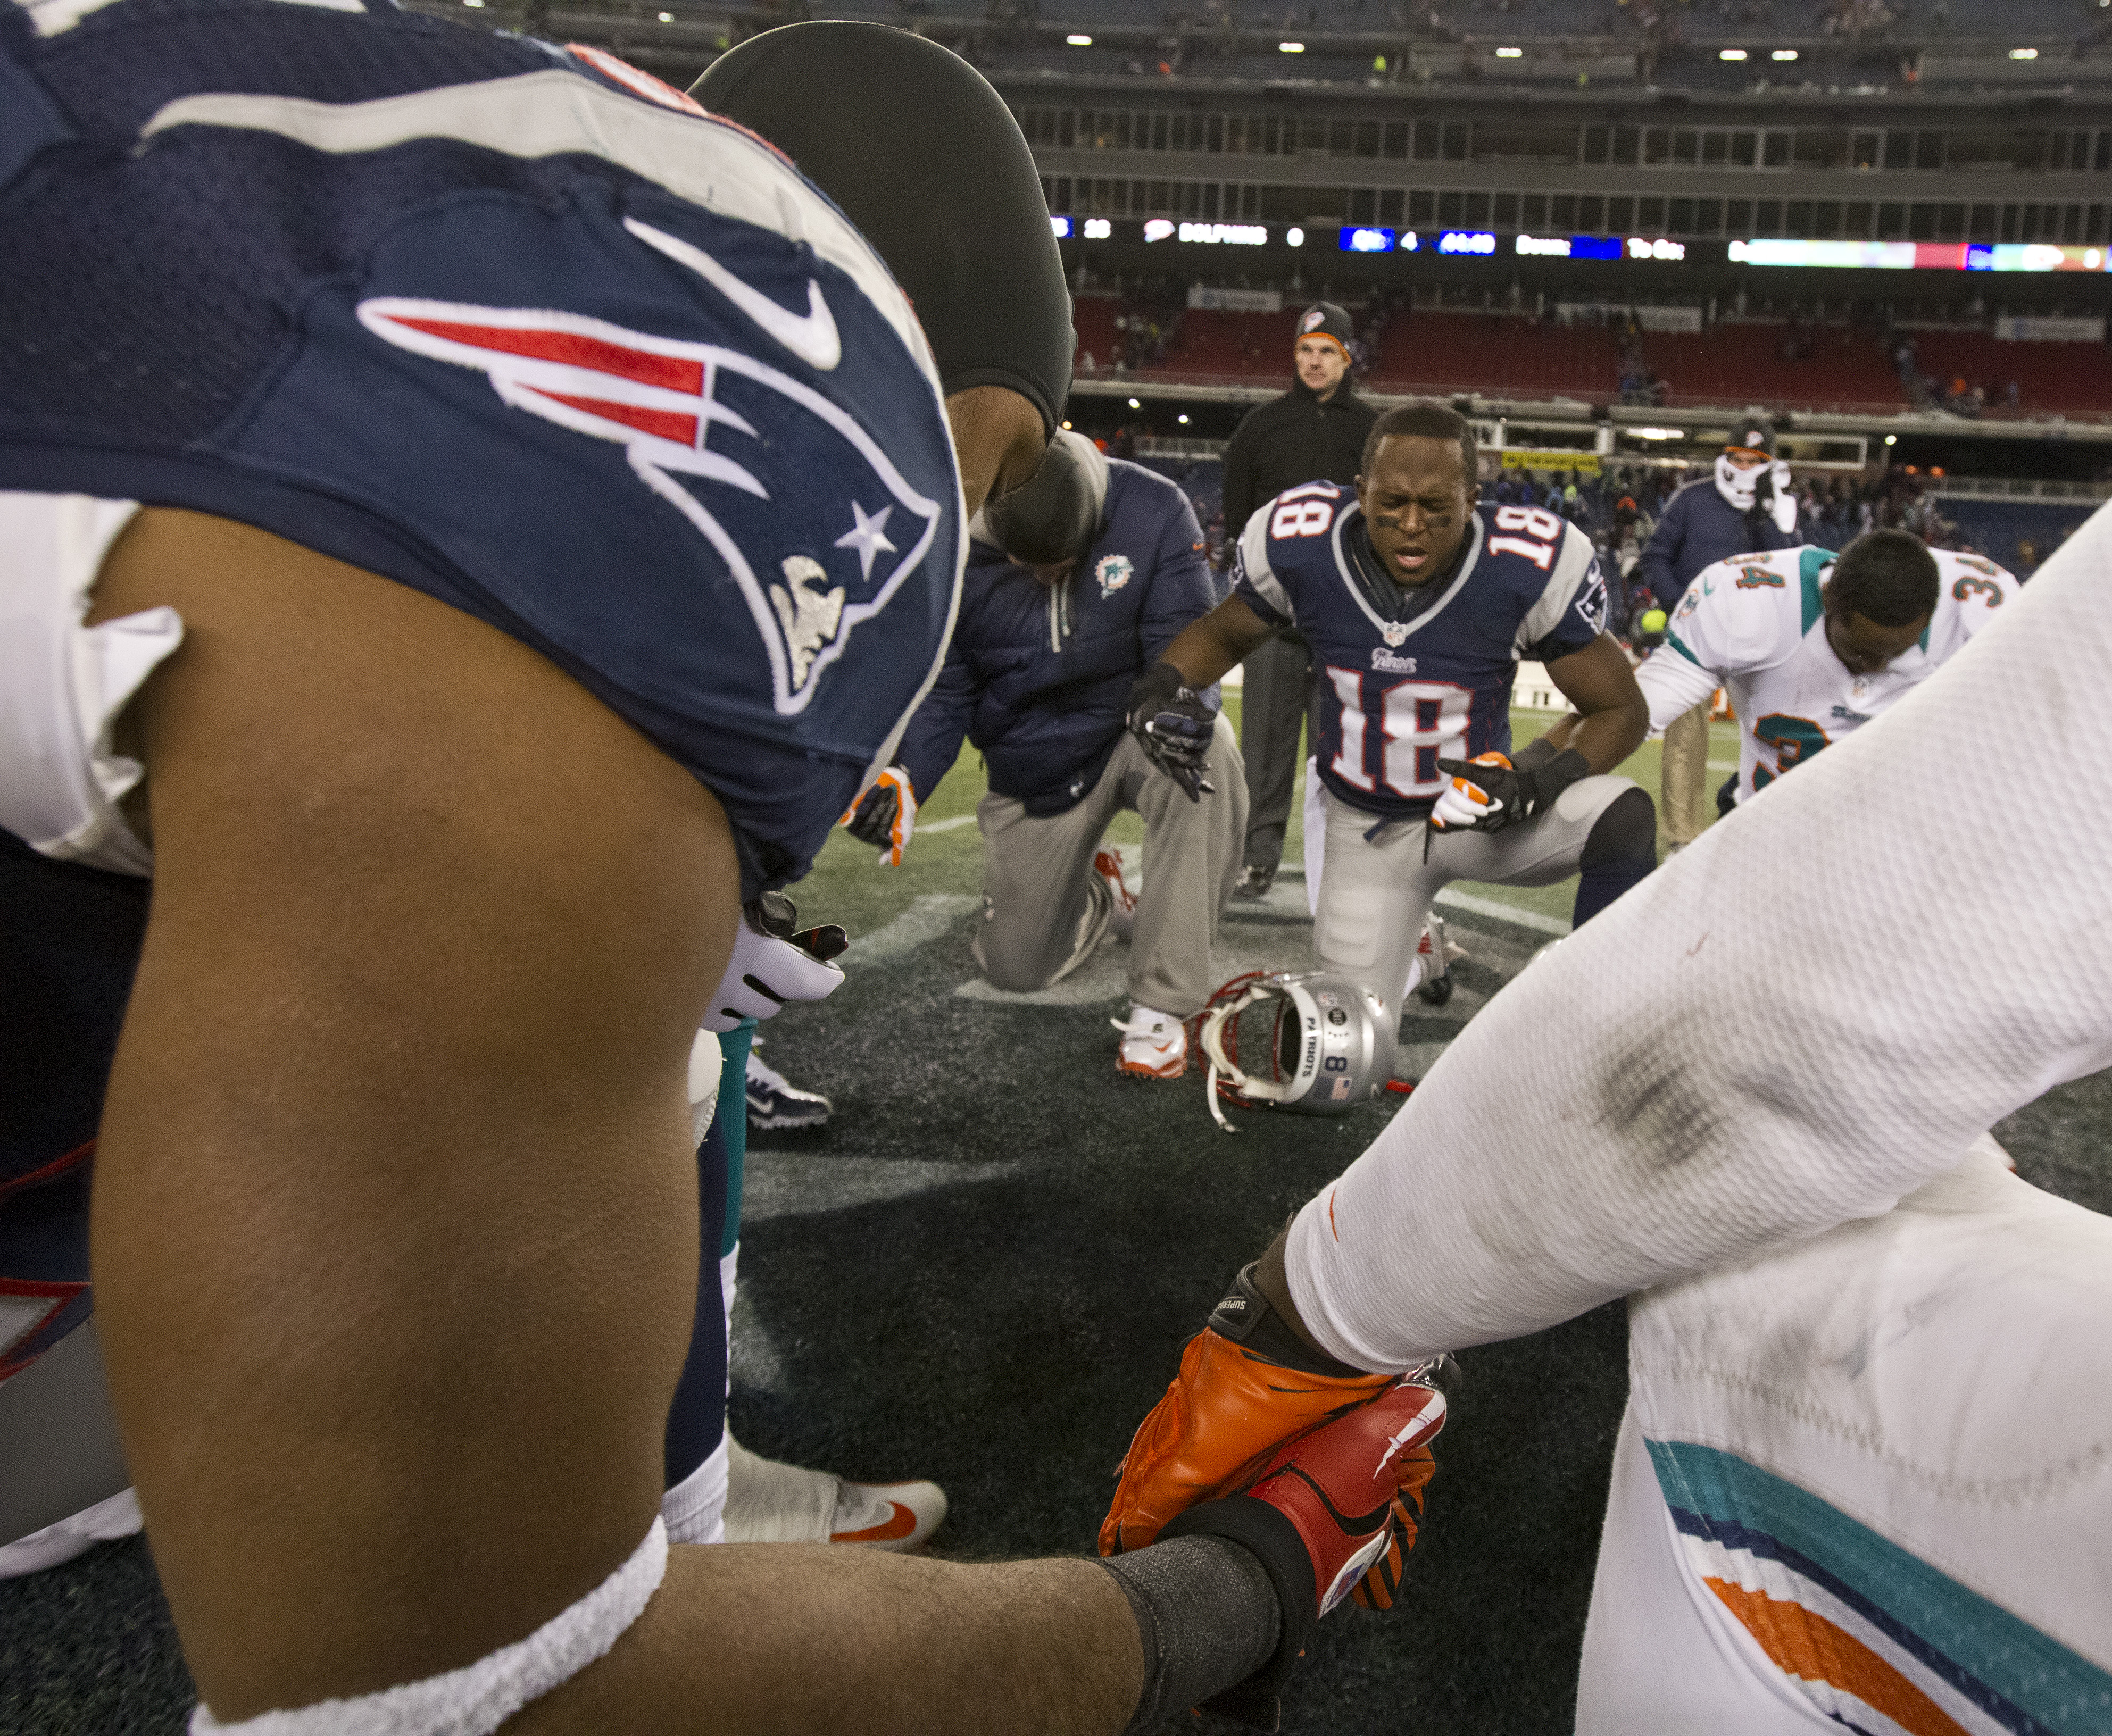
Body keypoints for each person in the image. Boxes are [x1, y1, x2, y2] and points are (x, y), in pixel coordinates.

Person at [1097, 12, 2112, 1727]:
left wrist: (1317, 1303)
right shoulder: (1730, 603)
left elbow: (1746, 1035)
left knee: (1761, 1285)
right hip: (1443, 814)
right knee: (2021, 1130)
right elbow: (1663, 726)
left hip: (1693, 886)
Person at [0, 13, 1434, 1731]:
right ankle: (684, 1507)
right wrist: (1233, 1590)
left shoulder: (333, 142)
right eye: (981, 485)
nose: (966, 526)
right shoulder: (772, 357)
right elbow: (487, 1706)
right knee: (653, 1097)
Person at [1133, 402, 1655, 1053]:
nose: (1413, 526)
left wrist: (1543, 780)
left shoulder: (1525, 565)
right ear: (1360, 494)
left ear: (1473, 501)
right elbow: (1222, 631)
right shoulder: (1302, 546)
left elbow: (1622, 709)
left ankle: (1602, 1022)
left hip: (1479, 814)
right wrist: (1160, 687)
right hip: (1366, 836)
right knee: (1335, 1065)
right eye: (1393, 504)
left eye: (1437, 508)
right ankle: (1419, 949)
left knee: (1622, 817)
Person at [875, 430, 1245, 1079]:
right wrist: (906, 776)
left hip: (1131, 730)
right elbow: (946, 691)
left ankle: (1162, 1005)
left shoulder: (1154, 509)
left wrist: (1179, 709)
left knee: (1208, 750)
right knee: (1016, 971)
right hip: (1038, 762)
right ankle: (1099, 896)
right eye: (1030, 562)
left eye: (1064, 559)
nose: (1049, 574)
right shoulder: (957, 545)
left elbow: (1190, 643)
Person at [1627, 529, 2014, 812]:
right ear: (1828, 598)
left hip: (1906, 844)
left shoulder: (1980, 612)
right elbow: (1632, 713)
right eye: (1862, 652)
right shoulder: (1749, 604)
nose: (1876, 668)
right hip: (1770, 834)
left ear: (1932, 615)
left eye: (1894, 653)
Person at [1217, 302, 1378, 899]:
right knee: (1262, 745)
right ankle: (1256, 858)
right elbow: (1238, 520)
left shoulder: (1371, 431)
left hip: (1346, 621)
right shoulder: (1260, 428)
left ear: (1346, 356)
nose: (1314, 362)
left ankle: (1338, 863)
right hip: (1272, 617)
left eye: (1326, 352)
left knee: (1340, 751)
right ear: (1296, 355)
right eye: (1306, 351)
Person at [1629, 422, 1802, 851]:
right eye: (1738, 458)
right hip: (1698, 638)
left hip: (1763, 638)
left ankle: (1747, 823)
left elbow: (1789, 566)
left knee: (1773, 733)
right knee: (1685, 739)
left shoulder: (1780, 506)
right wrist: (1684, 606)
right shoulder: (1693, 499)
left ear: (1770, 465)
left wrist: (1765, 517)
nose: (1743, 468)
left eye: (1754, 462)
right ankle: (1682, 842)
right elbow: (1656, 556)